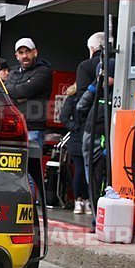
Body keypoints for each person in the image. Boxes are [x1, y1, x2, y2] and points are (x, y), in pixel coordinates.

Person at [77, 58, 115, 221]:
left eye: (107, 75)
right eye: (101, 75)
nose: (103, 78)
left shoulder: (117, 93)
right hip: (89, 139)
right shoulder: (96, 91)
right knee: (90, 179)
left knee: (99, 180)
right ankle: (96, 215)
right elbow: (80, 107)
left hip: (103, 141)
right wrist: (93, 88)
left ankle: (97, 219)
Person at [5, 38, 53, 149]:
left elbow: (26, 90)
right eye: (21, 53)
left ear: (35, 52)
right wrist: (19, 94)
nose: (25, 56)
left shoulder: (43, 71)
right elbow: (5, 92)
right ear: (16, 55)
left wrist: (13, 92)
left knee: (30, 164)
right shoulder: (13, 72)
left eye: (28, 51)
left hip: (32, 127)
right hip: (13, 127)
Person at [59, 83, 89, 213]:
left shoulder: (92, 96)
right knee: (80, 170)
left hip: (88, 135)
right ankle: (78, 199)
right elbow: (64, 117)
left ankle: (87, 200)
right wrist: (75, 127)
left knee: (89, 171)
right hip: (77, 138)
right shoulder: (72, 98)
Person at [76, 32, 104, 98]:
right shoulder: (118, 62)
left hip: (93, 106)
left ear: (92, 49)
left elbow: (81, 94)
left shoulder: (85, 66)